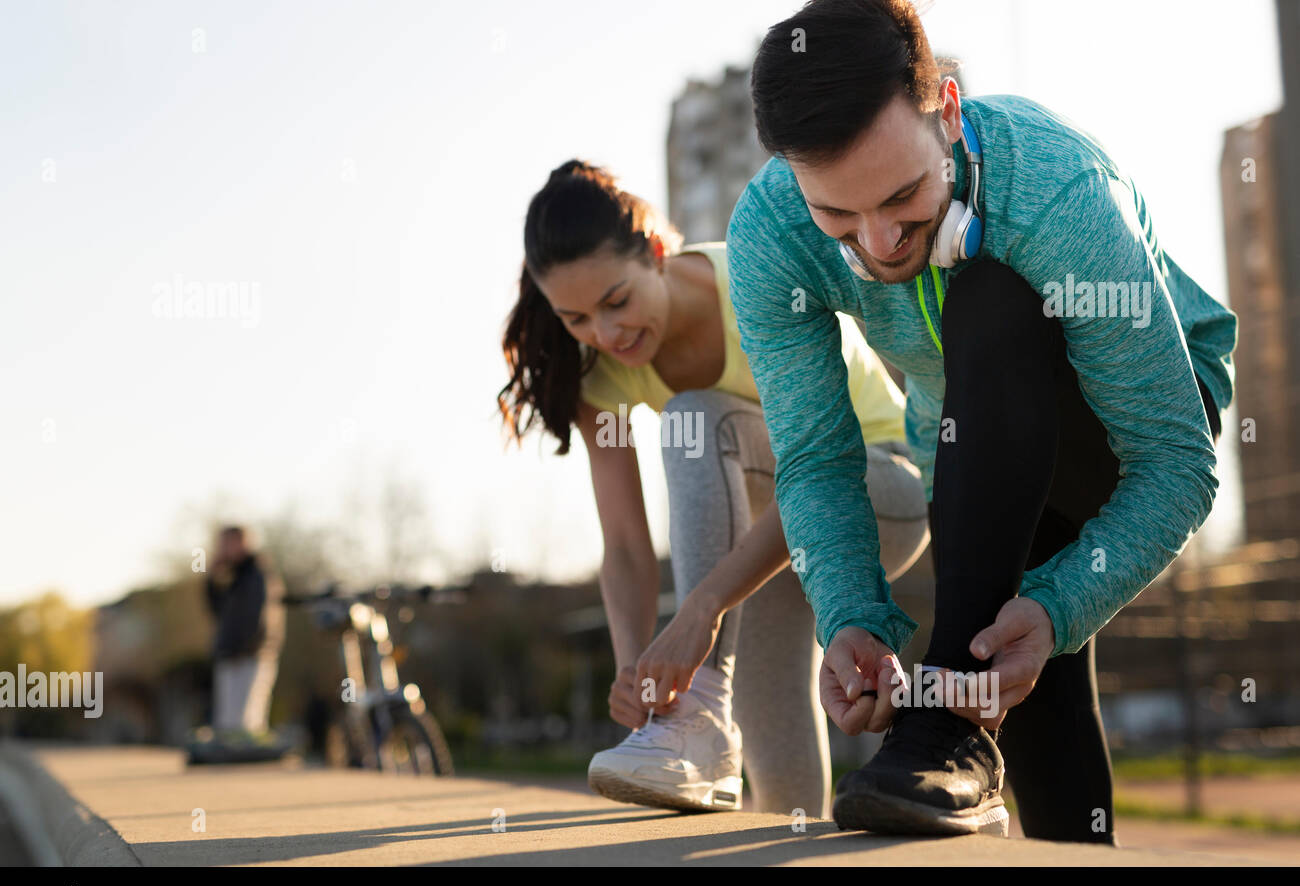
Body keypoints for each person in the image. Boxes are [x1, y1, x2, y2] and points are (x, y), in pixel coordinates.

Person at [726, 0, 1235, 841]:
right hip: (973, 447)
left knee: (992, 296)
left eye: (902, 196)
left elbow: (1176, 463)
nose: (881, 242)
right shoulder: (772, 235)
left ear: (949, 113)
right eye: (838, 217)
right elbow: (816, 459)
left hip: (1138, 425)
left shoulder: (1056, 191)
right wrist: (850, 613)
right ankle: (1021, 796)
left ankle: (945, 718)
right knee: (1032, 695)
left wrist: (1067, 601)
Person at [498, 160, 930, 817]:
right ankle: (705, 732)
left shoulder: (753, 284)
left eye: (617, 301)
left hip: (875, 490)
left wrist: (701, 610)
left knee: (693, 418)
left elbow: (819, 471)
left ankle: (701, 703)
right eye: (577, 318)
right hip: (762, 547)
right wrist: (636, 672)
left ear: (657, 252)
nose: (607, 336)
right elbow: (623, 543)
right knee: (781, 792)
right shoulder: (599, 382)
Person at [204, 525, 284, 740]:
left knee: (245, 722)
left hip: (252, 654)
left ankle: (251, 765)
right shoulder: (232, 576)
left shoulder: (257, 574)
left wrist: (245, 648)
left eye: (227, 543)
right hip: (230, 653)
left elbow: (258, 618)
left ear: (242, 542)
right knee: (228, 723)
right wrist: (212, 579)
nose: (222, 549)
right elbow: (216, 610)